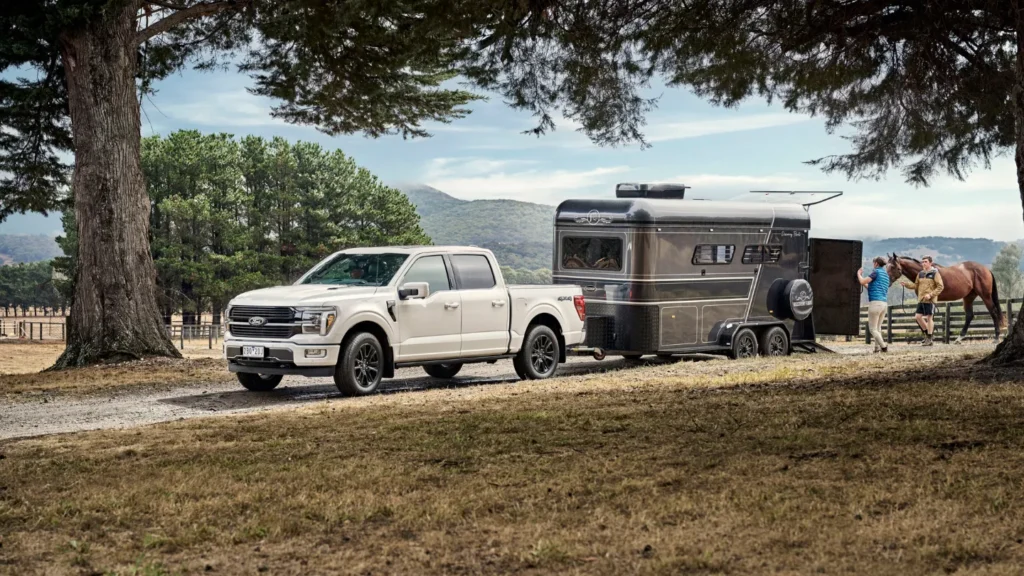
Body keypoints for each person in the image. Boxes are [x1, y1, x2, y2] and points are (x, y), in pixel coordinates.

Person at [900, 255, 944, 346]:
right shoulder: (920, 274)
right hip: (921, 299)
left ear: (930, 263)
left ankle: (929, 338)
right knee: (917, 317)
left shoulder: (935, 273)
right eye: (922, 261)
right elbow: (916, 285)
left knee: (929, 318)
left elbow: (940, 287)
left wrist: (931, 294)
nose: (923, 263)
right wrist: (906, 284)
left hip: (930, 300)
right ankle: (927, 335)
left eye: (925, 262)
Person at [858, 257, 890, 353]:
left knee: (872, 329)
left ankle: (884, 346)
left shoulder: (875, 272)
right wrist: (864, 283)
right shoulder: (885, 275)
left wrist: (858, 274)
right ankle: (877, 348)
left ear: (876, 263)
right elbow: (871, 286)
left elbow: (862, 281)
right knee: (878, 328)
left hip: (875, 303)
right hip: (884, 304)